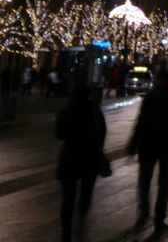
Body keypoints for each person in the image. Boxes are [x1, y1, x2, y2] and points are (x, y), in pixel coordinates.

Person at [128, 70, 168, 234]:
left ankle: (144, 211)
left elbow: (140, 124)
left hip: (148, 145)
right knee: (163, 182)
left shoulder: (150, 99)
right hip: (167, 146)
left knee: (144, 181)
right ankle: (159, 217)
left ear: (157, 80)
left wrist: (132, 144)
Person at [56, 74, 107, 242]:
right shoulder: (93, 110)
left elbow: (59, 133)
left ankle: (66, 233)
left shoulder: (66, 111)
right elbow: (102, 131)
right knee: (85, 193)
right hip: (89, 157)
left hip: (69, 158)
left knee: (67, 199)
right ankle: (81, 221)